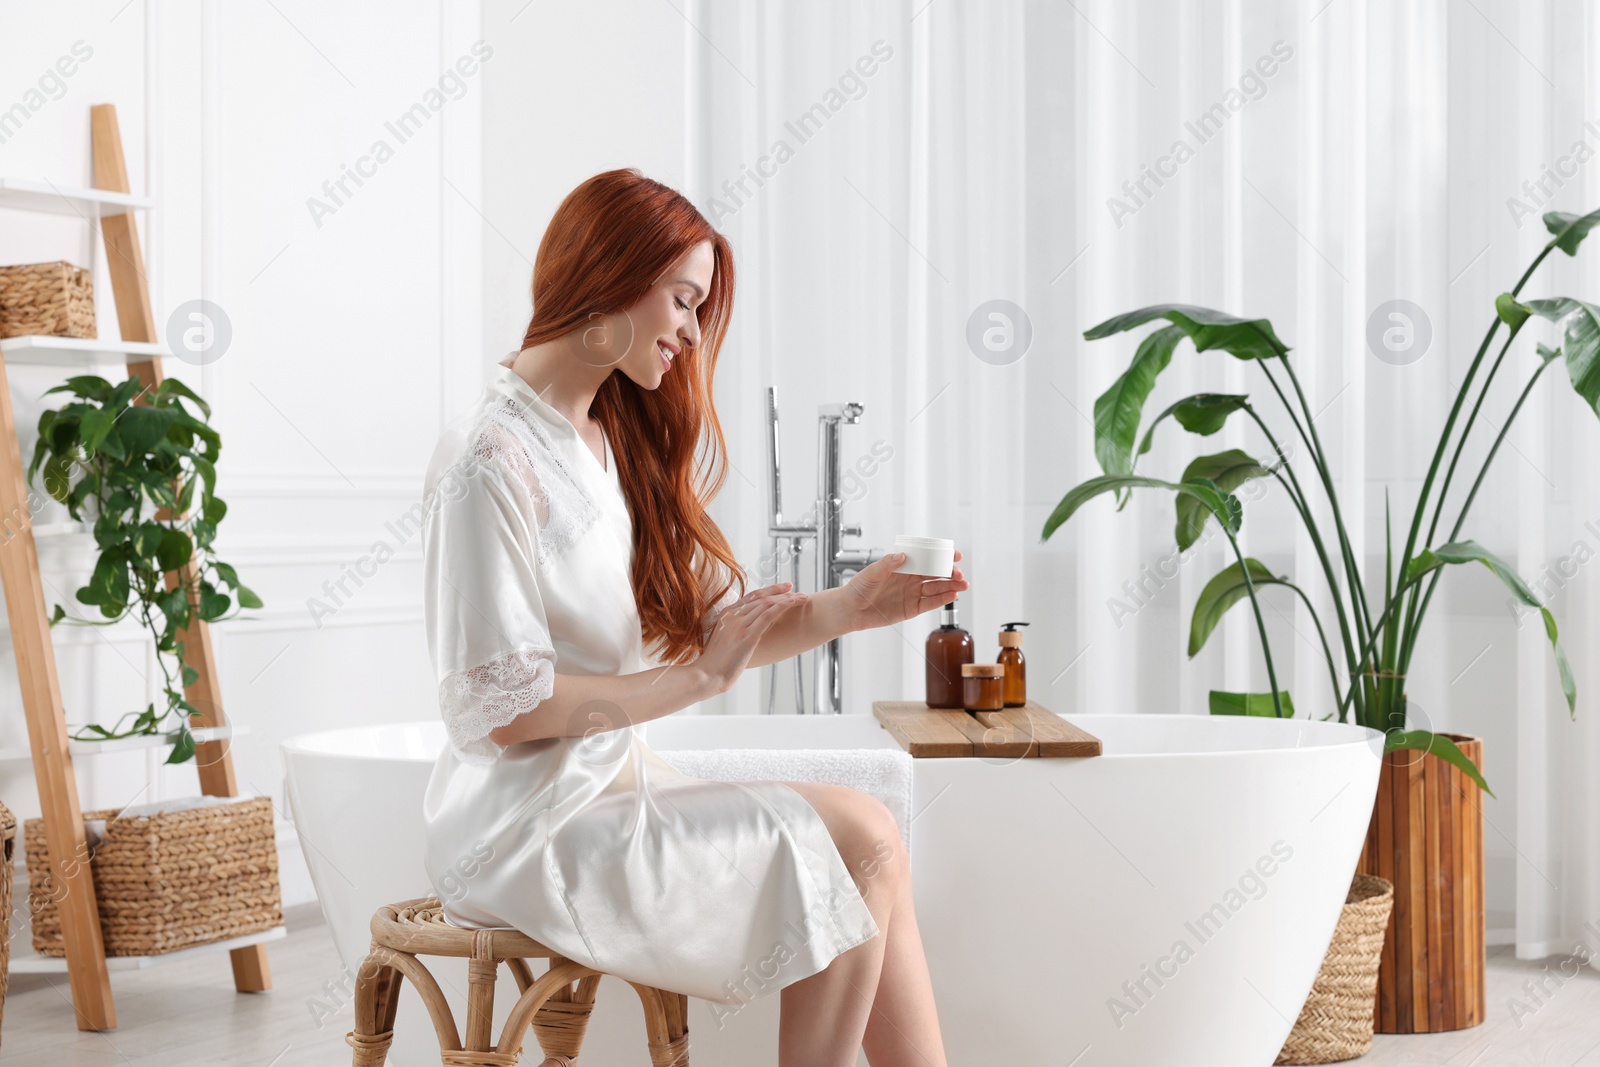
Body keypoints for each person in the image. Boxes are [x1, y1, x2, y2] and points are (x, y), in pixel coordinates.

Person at [420, 167, 966, 1066]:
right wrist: (698, 680)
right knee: (863, 838)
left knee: (872, 842)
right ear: (609, 274)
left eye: (699, 307)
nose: (691, 331)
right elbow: (505, 711)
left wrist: (853, 608)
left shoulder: (598, 438)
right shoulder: (491, 458)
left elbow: (712, 633)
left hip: (603, 789)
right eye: (683, 298)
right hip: (525, 829)